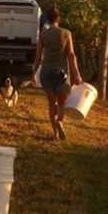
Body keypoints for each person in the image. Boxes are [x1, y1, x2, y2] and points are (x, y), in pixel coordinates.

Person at [32, 7, 82, 140]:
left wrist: (33, 73)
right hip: (61, 72)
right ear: (59, 18)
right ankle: (60, 121)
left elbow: (38, 57)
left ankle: (55, 133)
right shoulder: (66, 33)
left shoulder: (43, 35)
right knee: (61, 103)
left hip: (46, 72)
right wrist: (76, 73)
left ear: (47, 19)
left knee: (51, 103)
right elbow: (71, 55)